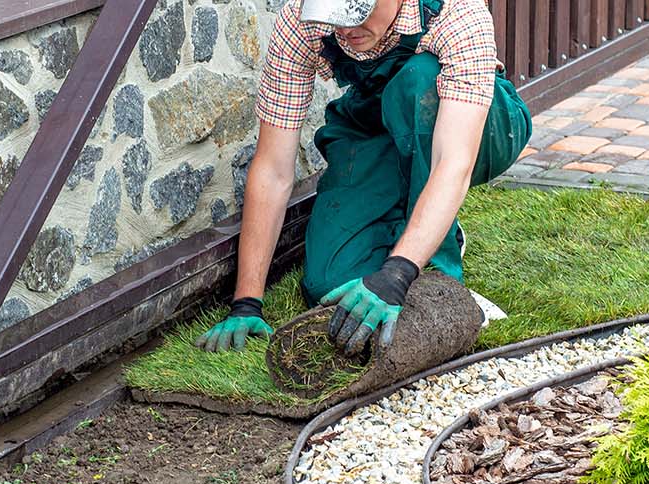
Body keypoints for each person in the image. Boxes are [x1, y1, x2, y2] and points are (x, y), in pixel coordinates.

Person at [194, 0, 532, 354]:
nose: (344, 30)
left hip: (475, 124)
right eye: (333, 17)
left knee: (418, 80)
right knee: (329, 285)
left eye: (356, 14)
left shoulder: (457, 12)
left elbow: (453, 162)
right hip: (376, 121)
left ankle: (440, 274)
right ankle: (412, 221)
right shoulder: (300, 19)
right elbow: (273, 167)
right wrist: (247, 301)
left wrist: (397, 273)